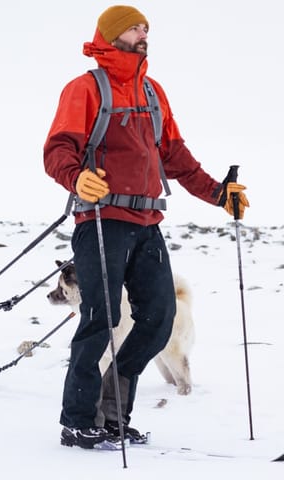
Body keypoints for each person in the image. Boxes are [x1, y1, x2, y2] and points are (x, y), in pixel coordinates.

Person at [42, 5, 250, 450]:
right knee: (100, 319)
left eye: (146, 28)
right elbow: (58, 148)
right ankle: (78, 420)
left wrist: (218, 192)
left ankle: (113, 416)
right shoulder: (85, 89)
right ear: (113, 35)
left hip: (148, 223)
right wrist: (76, 176)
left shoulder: (153, 93)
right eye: (136, 27)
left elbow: (175, 156)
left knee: (158, 319)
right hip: (101, 221)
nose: (143, 34)